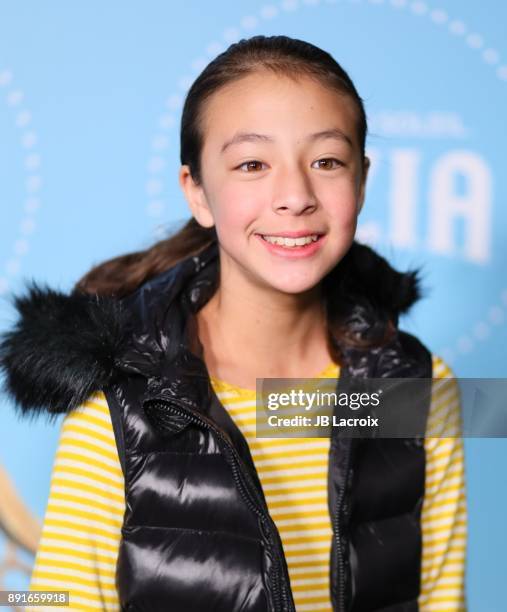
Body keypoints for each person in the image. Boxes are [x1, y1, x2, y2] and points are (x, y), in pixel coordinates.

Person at [0, 35, 466, 611]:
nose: (295, 195)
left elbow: (442, 600)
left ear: (362, 181)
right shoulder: (120, 407)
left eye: (326, 161)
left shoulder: (411, 388)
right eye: (252, 164)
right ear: (196, 191)